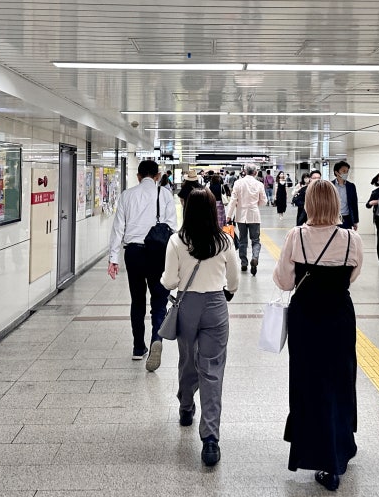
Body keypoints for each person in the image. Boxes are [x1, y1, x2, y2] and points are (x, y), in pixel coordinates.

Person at [273, 180, 363, 492]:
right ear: (336, 204)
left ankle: (319, 454)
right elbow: (352, 275)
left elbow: (284, 281)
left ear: (309, 203)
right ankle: (341, 444)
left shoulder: (296, 236)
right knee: (340, 379)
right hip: (339, 315)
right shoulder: (352, 239)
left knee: (307, 381)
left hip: (306, 318)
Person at [161, 189, 240, 467]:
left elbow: (169, 281)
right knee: (212, 370)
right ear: (212, 210)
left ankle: (185, 407)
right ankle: (210, 441)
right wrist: (227, 291)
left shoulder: (176, 241)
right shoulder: (224, 240)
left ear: (187, 209)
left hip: (188, 307)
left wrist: (176, 280)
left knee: (187, 361)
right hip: (216, 306)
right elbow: (234, 279)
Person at [108, 159, 177, 370]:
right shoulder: (164, 194)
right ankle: (157, 337)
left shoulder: (127, 195)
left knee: (137, 300)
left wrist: (113, 258)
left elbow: (118, 228)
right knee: (159, 299)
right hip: (158, 252)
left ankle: (139, 347)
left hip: (134, 252)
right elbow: (172, 228)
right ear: (157, 176)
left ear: (138, 176)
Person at [225, 163, 267, 274]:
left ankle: (244, 263)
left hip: (241, 216)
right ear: (255, 172)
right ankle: (255, 257)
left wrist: (229, 215)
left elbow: (233, 200)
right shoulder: (259, 184)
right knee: (255, 240)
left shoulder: (238, 183)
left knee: (243, 240)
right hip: (254, 215)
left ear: (244, 171)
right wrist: (256, 203)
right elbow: (264, 202)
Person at [331, 161, 359, 231]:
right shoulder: (330, 185)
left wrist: (355, 221)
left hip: (346, 218)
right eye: (343, 171)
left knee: (346, 239)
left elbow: (354, 204)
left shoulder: (351, 186)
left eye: (347, 171)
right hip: (332, 218)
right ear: (337, 172)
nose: (346, 173)